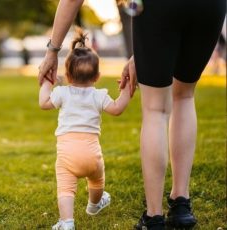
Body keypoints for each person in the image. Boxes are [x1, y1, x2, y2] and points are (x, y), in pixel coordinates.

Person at [38, 0, 226, 229]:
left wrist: (52, 50)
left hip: (158, 7)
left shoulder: (64, 92)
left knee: (155, 109)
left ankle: (154, 217)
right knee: (185, 96)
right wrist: (142, 55)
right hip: (210, 6)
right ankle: (181, 204)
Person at [39, 28, 131, 230]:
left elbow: (44, 102)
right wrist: (126, 90)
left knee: (65, 189)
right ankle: (94, 205)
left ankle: (67, 222)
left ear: (68, 75)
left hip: (67, 155)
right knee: (97, 182)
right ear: (97, 76)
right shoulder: (99, 95)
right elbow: (116, 109)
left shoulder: (62, 93)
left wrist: (47, 80)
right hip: (92, 155)